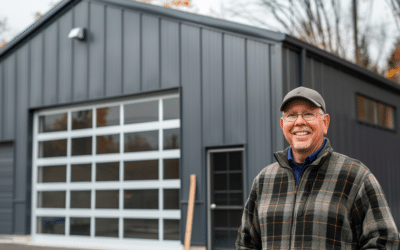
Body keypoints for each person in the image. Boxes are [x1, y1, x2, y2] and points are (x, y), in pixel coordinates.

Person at [236, 87, 400, 249]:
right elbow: (246, 243)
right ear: (282, 124)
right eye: (291, 115)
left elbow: (385, 242)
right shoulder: (264, 180)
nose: (299, 121)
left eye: (308, 113)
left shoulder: (355, 177)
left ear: (325, 122)